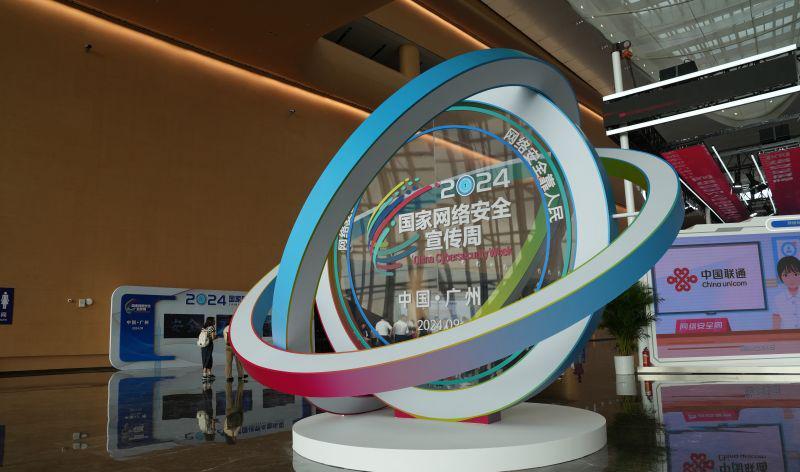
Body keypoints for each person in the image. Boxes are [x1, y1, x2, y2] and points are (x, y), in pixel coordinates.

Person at [772, 255, 800, 329]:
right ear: (780, 277)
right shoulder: (778, 299)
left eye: (795, 274)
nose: (791, 279)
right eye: (786, 275)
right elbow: (776, 325)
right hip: (787, 335)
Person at [223, 379, 245, 445]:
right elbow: (225, 421)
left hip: (237, 412)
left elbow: (239, 424)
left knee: (239, 395)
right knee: (229, 395)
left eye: (235, 440)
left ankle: (241, 381)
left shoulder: (234, 434)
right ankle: (228, 382)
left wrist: (241, 413)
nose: (236, 439)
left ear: (232, 439)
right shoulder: (225, 431)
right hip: (229, 412)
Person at [199, 318, 216, 382]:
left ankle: (208, 374)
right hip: (209, 344)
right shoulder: (212, 328)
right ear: (211, 321)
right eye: (214, 320)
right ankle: (205, 373)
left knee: (205, 357)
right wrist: (216, 337)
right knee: (209, 358)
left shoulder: (203, 328)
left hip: (203, 344)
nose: (215, 321)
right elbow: (213, 337)